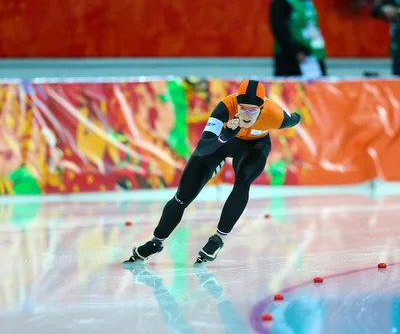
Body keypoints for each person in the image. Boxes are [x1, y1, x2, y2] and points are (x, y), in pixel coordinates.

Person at [123, 80, 301, 265]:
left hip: (254, 146)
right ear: (237, 104)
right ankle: (156, 242)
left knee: (243, 182)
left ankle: (218, 239)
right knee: (182, 197)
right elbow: (202, 148)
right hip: (223, 142)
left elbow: (295, 118)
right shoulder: (225, 107)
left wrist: (299, 114)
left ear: (262, 107)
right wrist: (225, 136)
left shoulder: (276, 115)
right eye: (243, 108)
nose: (247, 115)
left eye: (252, 110)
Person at [269, 0, 327, 77]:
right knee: (293, 92)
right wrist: (296, 51)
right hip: (293, 59)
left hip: (314, 55)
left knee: (317, 92)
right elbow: (279, 29)